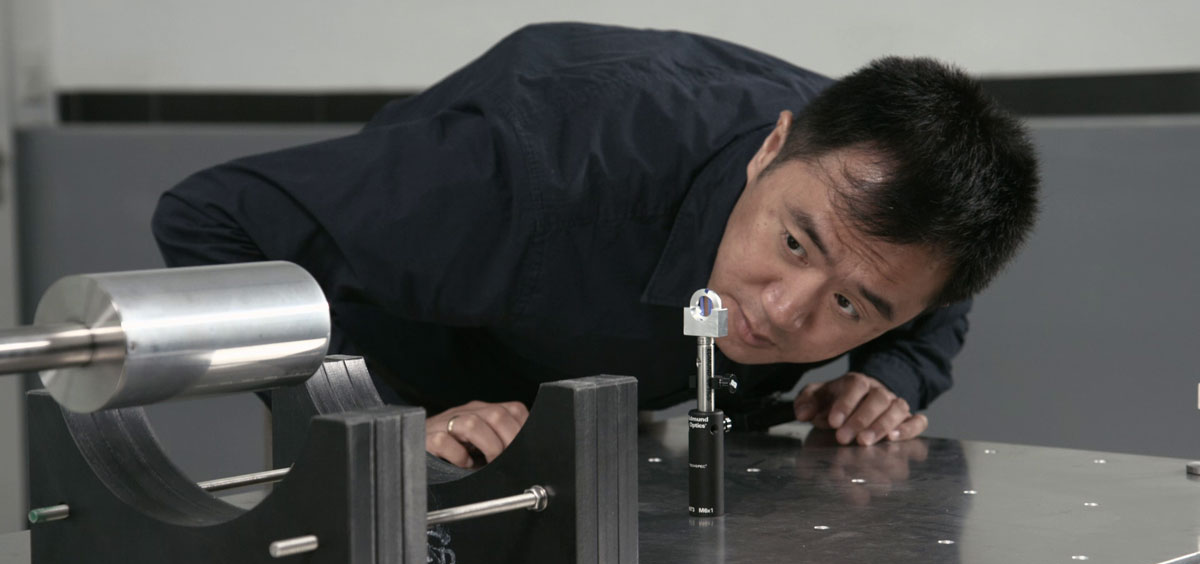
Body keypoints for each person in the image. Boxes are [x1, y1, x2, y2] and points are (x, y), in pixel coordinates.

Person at [152, 23, 1039, 469]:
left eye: (848, 305)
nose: (780, 311)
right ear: (771, 149)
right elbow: (213, 217)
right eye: (795, 244)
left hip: (594, 400)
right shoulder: (531, 172)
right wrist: (377, 424)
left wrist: (893, 377)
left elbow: (931, 298)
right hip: (412, 374)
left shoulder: (910, 228)